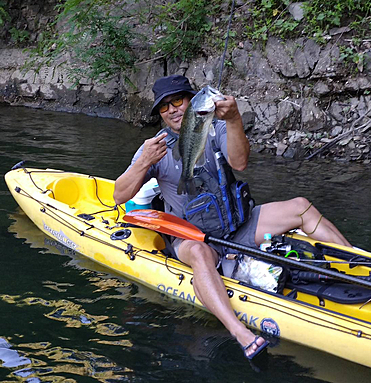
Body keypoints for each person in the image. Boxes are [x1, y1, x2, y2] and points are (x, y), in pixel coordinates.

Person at [114, 75, 351, 361]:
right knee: (201, 254)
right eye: (164, 107)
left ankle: (357, 266)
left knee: (301, 206)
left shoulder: (216, 127)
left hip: (238, 226)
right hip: (193, 237)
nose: (173, 109)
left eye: (178, 101)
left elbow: (240, 162)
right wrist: (143, 162)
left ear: (191, 103)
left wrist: (235, 119)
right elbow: (118, 196)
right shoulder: (155, 147)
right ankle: (242, 334)